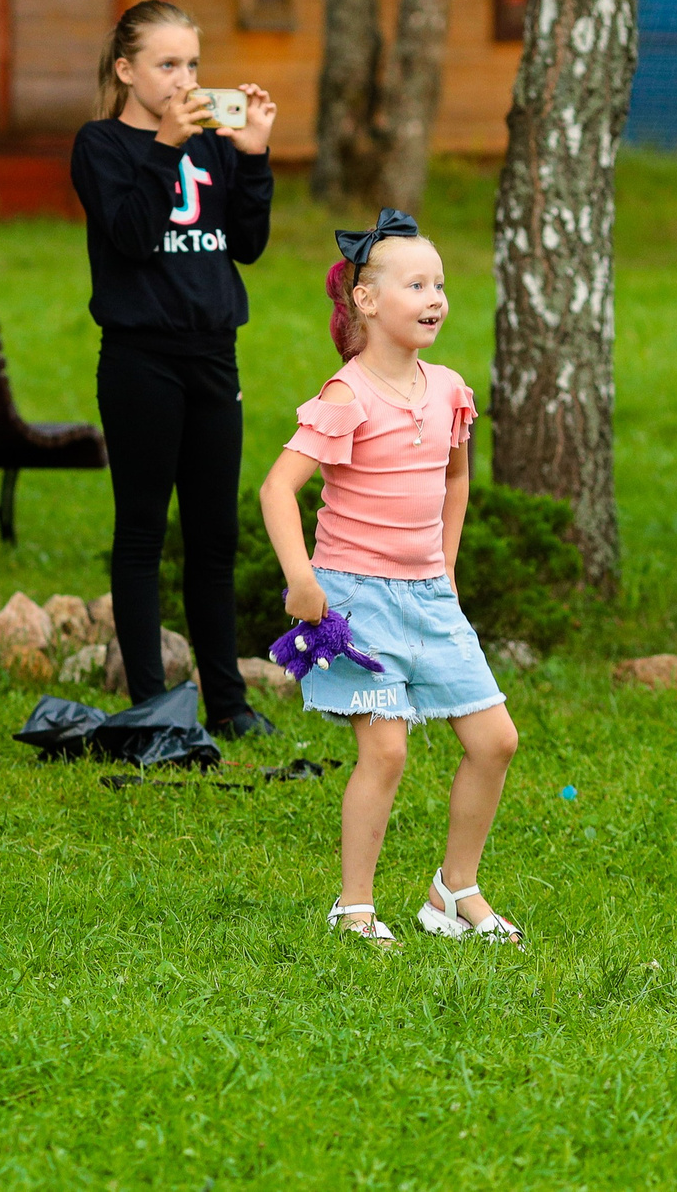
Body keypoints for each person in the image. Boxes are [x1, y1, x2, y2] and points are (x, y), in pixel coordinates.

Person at [260, 209, 523, 945]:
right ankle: (355, 906)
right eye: (416, 283)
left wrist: (446, 561)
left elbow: (456, 476)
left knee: (495, 739)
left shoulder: (447, 389)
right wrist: (302, 581)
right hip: (357, 597)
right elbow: (278, 489)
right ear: (368, 301)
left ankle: (453, 890)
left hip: (429, 596)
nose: (435, 296)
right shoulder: (348, 395)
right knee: (387, 748)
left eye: (440, 282)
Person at [68, 0, 277, 739]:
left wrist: (251, 156)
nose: (183, 77)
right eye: (166, 65)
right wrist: (162, 145)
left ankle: (228, 701)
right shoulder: (100, 146)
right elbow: (128, 237)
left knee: (214, 536)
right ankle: (152, 707)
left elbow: (245, 243)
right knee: (143, 534)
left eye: (191, 64)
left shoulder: (214, 146)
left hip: (213, 354)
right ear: (126, 70)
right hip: (140, 360)